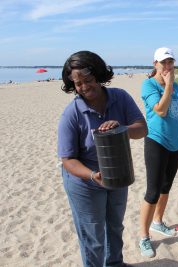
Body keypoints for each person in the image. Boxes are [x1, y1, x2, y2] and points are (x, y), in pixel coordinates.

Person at [57, 51, 147, 267]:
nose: (84, 87)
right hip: (85, 181)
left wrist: (122, 128)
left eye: (88, 80)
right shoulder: (72, 114)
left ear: (98, 75)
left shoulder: (120, 97)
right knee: (93, 237)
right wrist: (91, 175)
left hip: (118, 174)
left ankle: (115, 263)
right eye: (78, 84)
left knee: (115, 226)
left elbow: (142, 129)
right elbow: (68, 160)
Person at [138, 47, 178, 258]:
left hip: (176, 144)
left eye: (171, 62)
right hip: (156, 142)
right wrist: (168, 85)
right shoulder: (149, 85)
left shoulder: (177, 86)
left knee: (166, 186)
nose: (168, 67)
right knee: (152, 191)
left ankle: (158, 222)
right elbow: (160, 110)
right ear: (155, 64)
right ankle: (143, 236)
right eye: (164, 63)